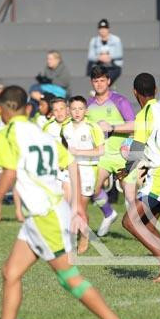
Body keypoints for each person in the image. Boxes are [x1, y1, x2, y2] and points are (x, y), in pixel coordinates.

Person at [0, 86, 136, 319]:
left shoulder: (9, 134)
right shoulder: (40, 131)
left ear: (1, 110)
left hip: (45, 216)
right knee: (10, 273)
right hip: (42, 214)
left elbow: (8, 173)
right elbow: (70, 161)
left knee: (69, 278)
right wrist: (77, 206)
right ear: (27, 108)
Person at [117, 73, 160, 282]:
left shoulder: (145, 113)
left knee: (130, 221)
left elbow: (137, 146)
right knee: (146, 223)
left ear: (135, 92)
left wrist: (126, 170)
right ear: (155, 90)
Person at [86, 65, 136, 236]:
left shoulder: (120, 101)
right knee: (93, 188)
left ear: (108, 81)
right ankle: (109, 214)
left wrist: (112, 127)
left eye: (102, 80)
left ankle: (140, 229)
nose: (99, 84)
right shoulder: (88, 104)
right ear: (92, 82)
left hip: (122, 157)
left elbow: (134, 125)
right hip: (102, 157)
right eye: (95, 81)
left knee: (130, 196)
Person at [61, 95, 105, 252]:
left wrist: (79, 152)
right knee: (67, 204)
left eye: (80, 109)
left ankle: (84, 236)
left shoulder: (93, 127)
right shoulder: (65, 127)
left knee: (80, 208)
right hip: (69, 169)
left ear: (86, 110)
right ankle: (69, 238)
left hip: (87, 169)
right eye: (74, 109)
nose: (77, 112)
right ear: (69, 110)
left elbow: (101, 150)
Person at [43, 98, 72, 201]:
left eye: (61, 109)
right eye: (56, 110)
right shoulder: (48, 127)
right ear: (52, 112)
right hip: (54, 168)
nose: (59, 113)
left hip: (71, 167)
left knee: (67, 198)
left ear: (67, 109)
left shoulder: (75, 124)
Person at [87, 19, 124, 84]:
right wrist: (99, 58)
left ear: (108, 29)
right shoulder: (94, 41)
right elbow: (90, 56)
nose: (103, 30)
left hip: (113, 67)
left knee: (105, 79)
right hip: (99, 66)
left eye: (105, 28)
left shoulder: (116, 40)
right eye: (101, 28)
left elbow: (119, 54)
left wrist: (109, 57)